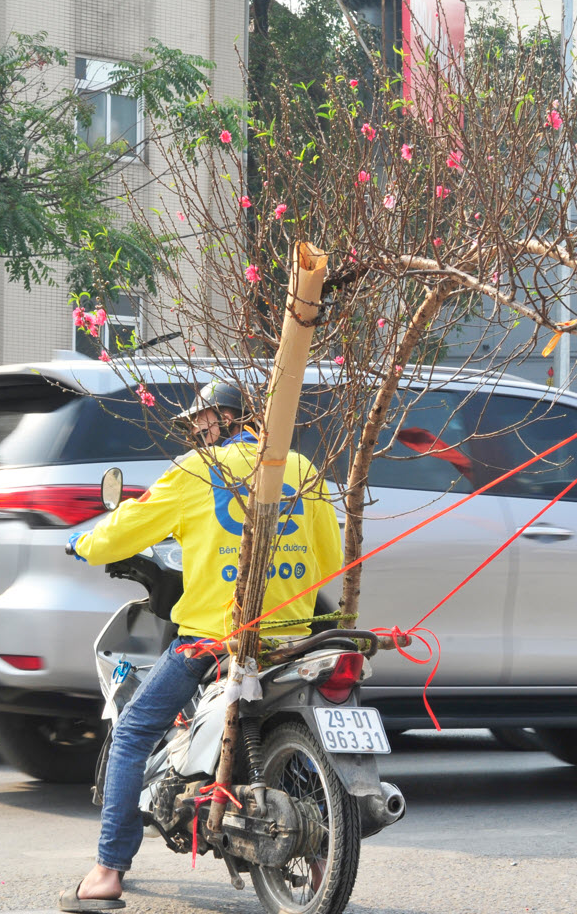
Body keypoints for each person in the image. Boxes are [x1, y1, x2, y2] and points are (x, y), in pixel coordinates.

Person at [57, 380, 343, 912]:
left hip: (215, 642)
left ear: (219, 420)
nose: (198, 433)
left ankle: (105, 874)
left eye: (201, 424)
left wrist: (83, 541)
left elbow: (128, 527)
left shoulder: (197, 470)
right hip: (291, 641)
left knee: (133, 732)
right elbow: (330, 561)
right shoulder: (304, 471)